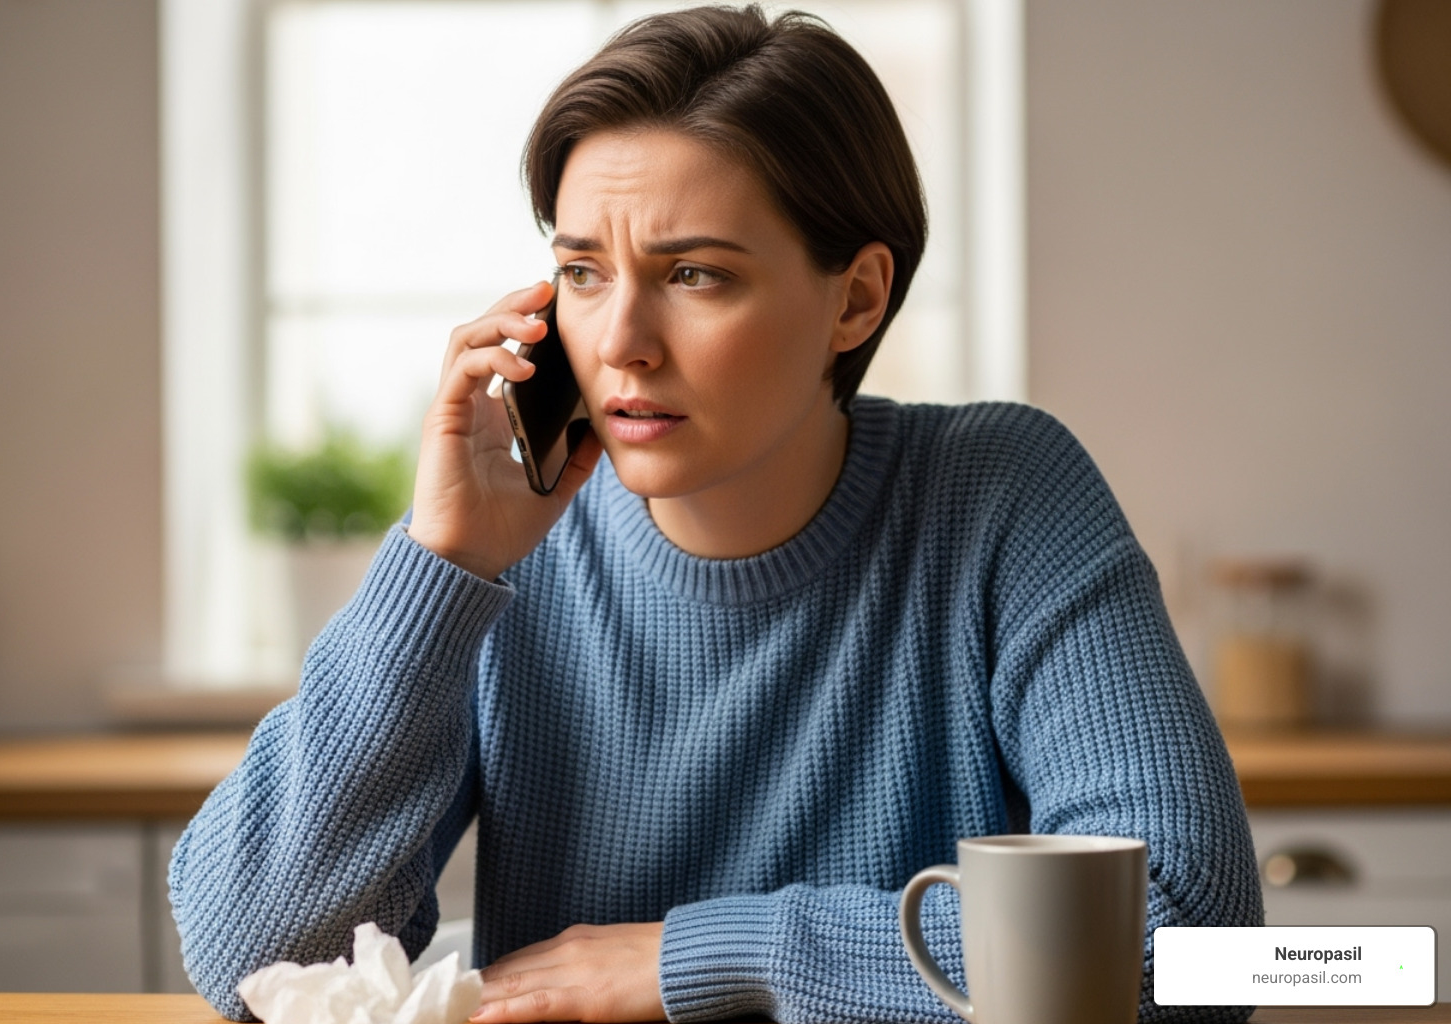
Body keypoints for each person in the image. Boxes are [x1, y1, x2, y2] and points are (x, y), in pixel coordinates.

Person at [170, 6, 1262, 1022]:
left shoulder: (1002, 493)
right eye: (583, 272)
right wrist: (442, 564)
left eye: (694, 273)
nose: (621, 342)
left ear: (857, 297)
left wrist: (699, 955)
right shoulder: (503, 559)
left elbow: (1201, 943)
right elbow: (252, 959)